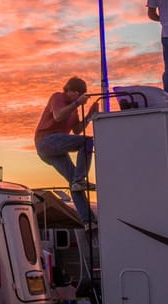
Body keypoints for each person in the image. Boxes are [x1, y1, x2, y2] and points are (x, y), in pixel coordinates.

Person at [35, 76, 98, 224]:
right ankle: (80, 179)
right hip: (46, 141)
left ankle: (88, 221)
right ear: (70, 90)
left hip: (55, 148)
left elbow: (76, 130)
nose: (80, 97)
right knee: (87, 142)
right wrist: (77, 103)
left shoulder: (74, 110)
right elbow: (58, 116)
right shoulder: (58, 97)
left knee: (74, 184)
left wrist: (89, 115)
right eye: (78, 93)